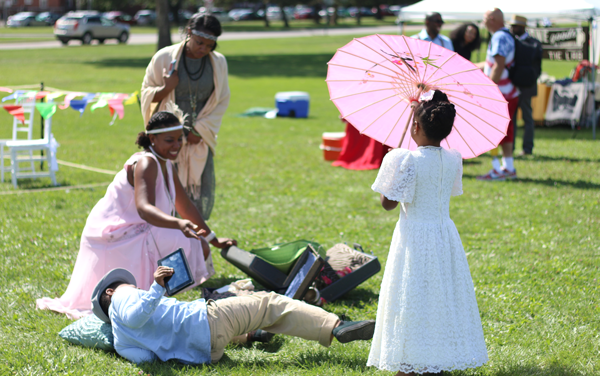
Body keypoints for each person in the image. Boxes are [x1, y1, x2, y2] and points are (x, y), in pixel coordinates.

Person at [37, 112, 236, 320]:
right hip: (114, 234)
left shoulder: (165, 161)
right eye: (170, 140)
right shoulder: (147, 163)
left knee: (199, 243)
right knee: (192, 244)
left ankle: (163, 301)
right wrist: (179, 224)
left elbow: (184, 204)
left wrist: (213, 238)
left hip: (141, 228)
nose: (176, 145)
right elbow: (144, 208)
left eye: (179, 139)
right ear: (152, 139)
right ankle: (161, 301)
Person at [367, 91, 488, 375]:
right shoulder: (453, 159)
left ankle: (409, 362)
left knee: (411, 296)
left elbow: (387, 204)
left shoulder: (406, 160)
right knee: (439, 295)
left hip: (414, 239)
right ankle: (437, 357)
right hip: (444, 235)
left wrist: (392, 164)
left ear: (416, 127)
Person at [92, 266, 376, 364]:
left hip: (205, 354)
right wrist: (155, 287)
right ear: (109, 293)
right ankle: (336, 326)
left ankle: (254, 335)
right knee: (270, 303)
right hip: (207, 321)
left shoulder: (120, 341)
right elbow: (135, 315)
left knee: (244, 317)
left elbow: (148, 358)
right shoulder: (122, 296)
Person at [140, 14, 230, 221]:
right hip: (168, 140)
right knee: (166, 192)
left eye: (209, 45)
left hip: (199, 138)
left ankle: (196, 243)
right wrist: (166, 88)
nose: (203, 49)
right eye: (199, 43)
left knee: (196, 192)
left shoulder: (218, 63)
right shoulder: (164, 58)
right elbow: (146, 95)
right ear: (188, 33)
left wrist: (199, 130)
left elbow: (222, 99)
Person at [476, 8, 520, 181]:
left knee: (494, 131)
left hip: (501, 93)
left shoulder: (499, 37)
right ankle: (508, 167)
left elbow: (498, 65)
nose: (483, 21)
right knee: (505, 131)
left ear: (492, 19)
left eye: (485, 18)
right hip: (509, 91)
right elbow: (494, 63)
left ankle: (497, 169)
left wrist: (489, 90)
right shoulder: (506, 35)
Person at [510, 15, 542, 156]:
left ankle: (527, 148)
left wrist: (529, 79)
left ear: (522, 27)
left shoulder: (534, 43)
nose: (512, 28)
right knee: (511, 118)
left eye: (515, 26)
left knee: (527, 118)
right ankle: (510, 148)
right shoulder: (511, 41)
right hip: (512, 85)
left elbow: (538, 66)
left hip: (527, 86)